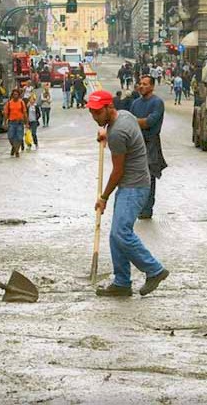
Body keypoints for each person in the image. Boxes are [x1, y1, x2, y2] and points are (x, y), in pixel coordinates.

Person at [86, 90, 169, 297]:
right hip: (133, 184)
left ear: (109, 108)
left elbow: (117, 171)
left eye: (97, 112)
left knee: (121, 233)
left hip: (134, 186)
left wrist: (103, 197)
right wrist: (106, 131)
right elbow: (124, 129)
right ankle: (122, 282)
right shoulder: (124, 115)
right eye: (92, 112)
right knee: (116, 236)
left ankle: (154, 270)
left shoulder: (117, 133)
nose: (94, 117)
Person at [130, 75, 167, 219]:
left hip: (151, 143)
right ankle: (137, 206)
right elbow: (130, 122)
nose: (141, 86)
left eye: (145, 84)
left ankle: (147, 208)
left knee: (149, 176)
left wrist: (134, 121)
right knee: (135, 176)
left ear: (152, 86)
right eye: (140, 84)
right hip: (136, 142)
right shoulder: (135, 103)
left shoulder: (157, 103)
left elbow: (149, 122)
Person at [3, 88, 27, 157]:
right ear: (12, 95)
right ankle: (14, 147)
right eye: (14, 94)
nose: (15, 96)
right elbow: (6, 113)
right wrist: (5, 123)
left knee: (19, 138)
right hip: (11, 122)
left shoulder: (21, 102)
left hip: (20, 122)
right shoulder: (9, 103)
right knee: (10, 137)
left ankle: (16, 151)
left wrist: (27, 123)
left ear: (18, 95)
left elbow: (25, 113)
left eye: (16, 94)